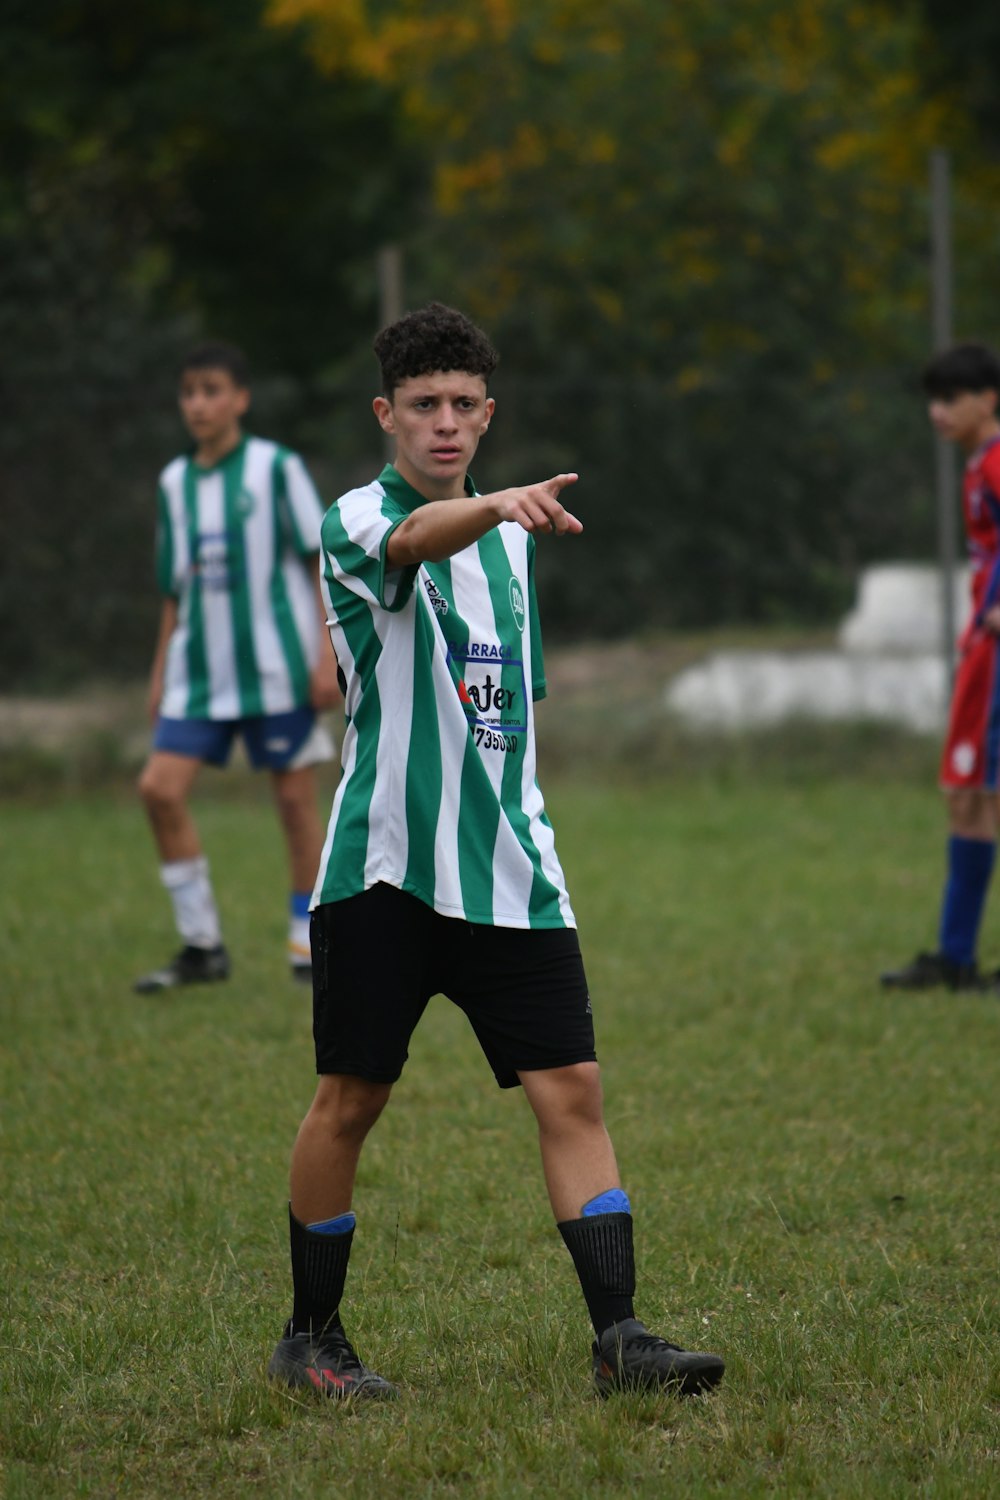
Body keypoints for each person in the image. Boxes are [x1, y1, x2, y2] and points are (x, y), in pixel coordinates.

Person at [266, 302, 725, 1401]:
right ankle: (311, 1337)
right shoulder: (358, 520)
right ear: (386, 414)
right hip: (383, 873)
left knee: (572, 1090)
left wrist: (496, 516)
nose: (444, 424)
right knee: (351, 1099)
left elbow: (510, 704)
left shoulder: (516, 540)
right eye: (421, 406)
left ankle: (620, 1339)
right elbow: (420, 541)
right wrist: (483, 507)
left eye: (463, 406)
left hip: (513, 871)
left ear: (487, 412)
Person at [134, 340, 340, 993]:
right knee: (158, 790)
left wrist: (327, 654)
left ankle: (309, 944)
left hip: (276, 669)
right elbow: (175, 589)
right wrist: (160, 668)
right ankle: (202, 947)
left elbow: (319, 565)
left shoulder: (275, 469)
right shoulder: (173, 482)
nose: (198, 403)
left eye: (212, 390)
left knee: (292, 801)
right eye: (189, 391)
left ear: (240, 399)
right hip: (199, 675)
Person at [882, 341, 1000, 993]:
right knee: (969, 798)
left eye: (950, 398)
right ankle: (956, 959)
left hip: (994, 650)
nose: (938, 412)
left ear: (988, 398)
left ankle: (958, 957)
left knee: (976, 795)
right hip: (981, 648)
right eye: (933, 399)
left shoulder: (998, 460)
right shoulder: (981, 463)